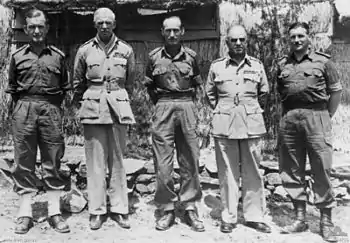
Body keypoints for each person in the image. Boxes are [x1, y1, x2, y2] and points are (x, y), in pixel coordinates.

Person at [6, 8, 71, 234]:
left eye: (40, 26)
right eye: (32, 27)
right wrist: (26, 106)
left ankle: (54, 212)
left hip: (51, 109)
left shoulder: (58, 57)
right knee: (24, 159)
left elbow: (65, 88)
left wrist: (49, 106)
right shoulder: (17, 57)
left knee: (53, 158)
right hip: (24, 108)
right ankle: (25, 213)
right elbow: (13, 88)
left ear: (47, 29)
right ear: (25, 29)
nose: (36, 31)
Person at [277, 22, 342, 242]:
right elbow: (281, 93)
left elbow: (335, 92)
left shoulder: (324, 62)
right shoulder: (282, 64)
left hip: (317, 117)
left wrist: (324, 117)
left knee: (321, 168)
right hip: (290, 119)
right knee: (291, 167)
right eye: (293, 36)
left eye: (301, 36)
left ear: (309, 38)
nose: (297, 40)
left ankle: (326, 221)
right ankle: (300, 218)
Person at [73, 7, 135, 230]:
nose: (105, 26)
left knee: (118, 161)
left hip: (118, 108)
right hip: (93, 109)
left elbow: (131, 80)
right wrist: (84, 104)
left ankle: (119, 209)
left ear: (115, 24)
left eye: (108, 22)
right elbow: (78, 82)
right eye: (100, 23)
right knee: (95, 163)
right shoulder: (84, 51)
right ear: (95, 25)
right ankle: (97, 210)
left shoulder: (126, 50)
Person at [206, 25, 271, 234]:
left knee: (252, 172)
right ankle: (229, 216)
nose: (238, 43)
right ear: (227, 43)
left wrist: (247, 108)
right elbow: (210, 94)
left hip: (251, 124)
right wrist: (224, 109)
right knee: (227, 172)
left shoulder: (257, 66)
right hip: (225, 124)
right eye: (233, 40)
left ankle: (254, 216)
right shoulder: (217, 67)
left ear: (247, 41)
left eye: (242, 39)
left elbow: (264, 93)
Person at [144, 16, 205, 232]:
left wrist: (189, 109)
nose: (172, 35)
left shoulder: (192, 57)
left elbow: (198, 85)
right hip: (163, 106)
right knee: (163, 163)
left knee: (190, 159)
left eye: (176, 30)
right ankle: (167, 208)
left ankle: (189, 207)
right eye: (168, 30)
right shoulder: (153, 58)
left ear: (182, 32)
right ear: (162, 31)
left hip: (186, 105)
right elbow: (149, 87)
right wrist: (162, 105)